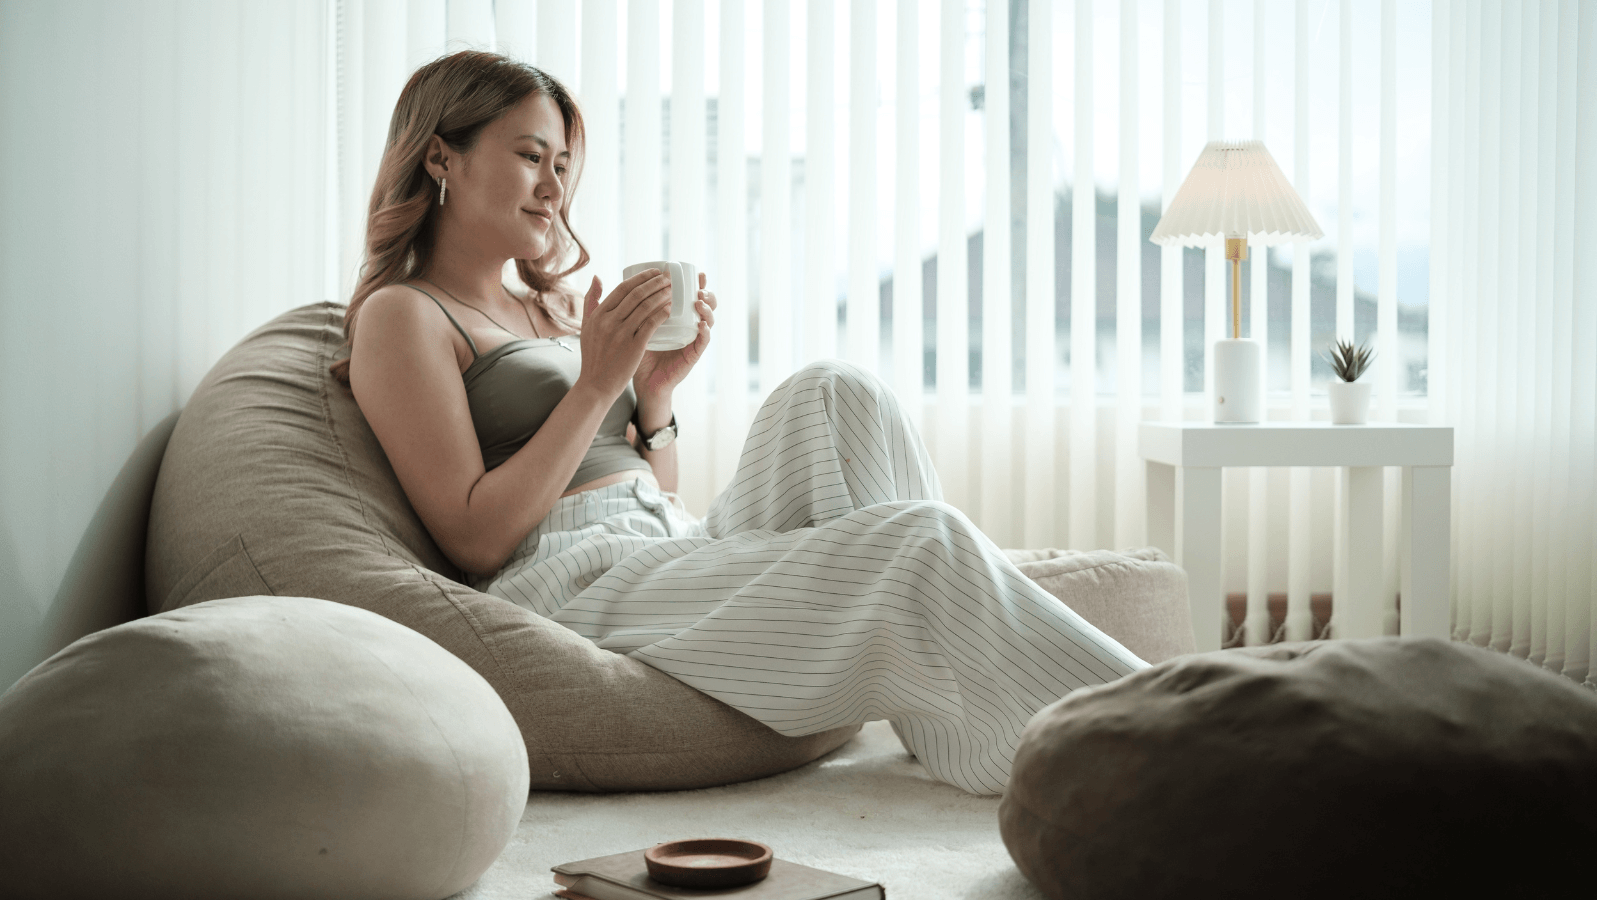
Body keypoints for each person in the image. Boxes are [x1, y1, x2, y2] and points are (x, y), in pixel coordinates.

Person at [335, 50, 1147, 797]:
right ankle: (1155, 736)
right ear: (440, 157)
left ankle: (946, 717)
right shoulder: (404, 314)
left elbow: (649, 488)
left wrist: (653, 398)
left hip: (660, 542)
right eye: (528, 156)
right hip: (569, 581)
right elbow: (474, 538)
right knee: (917, 540)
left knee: (837, 390)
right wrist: (596, 383)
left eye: (561, 165)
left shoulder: (552, 306)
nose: (553, 187)